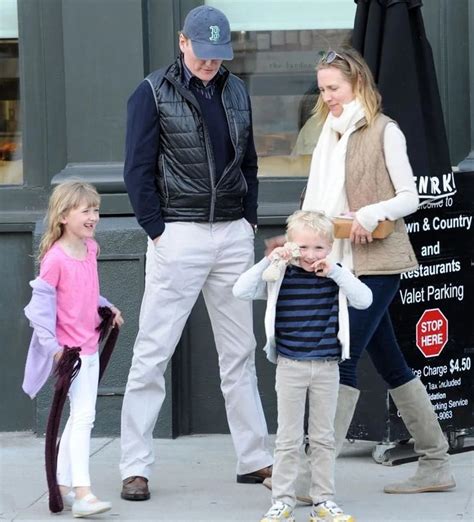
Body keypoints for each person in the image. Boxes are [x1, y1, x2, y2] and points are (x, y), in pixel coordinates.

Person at [265, 48, 455, 497]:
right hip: (333, 261)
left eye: (334, 87)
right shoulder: (326, 134)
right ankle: (435, 461)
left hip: (374, 263)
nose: (326, 96)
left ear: (357, 84)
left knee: (341, 356)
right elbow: (316, 204)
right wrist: (295, 239)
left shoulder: (385, 131)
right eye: (323, 88)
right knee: (390, 359)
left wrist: (368, 215)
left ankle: (313, 476)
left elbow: (410, 196)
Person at [120, 5, 272, 501]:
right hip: (178, 234)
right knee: (152, 353)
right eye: (202, 54)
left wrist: (248, 216)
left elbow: (248, 159)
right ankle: (134, 466)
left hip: (231, 233)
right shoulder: (151, 91)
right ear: (182, 41)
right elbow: (137, 168)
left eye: (218, 56)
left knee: (240, 353)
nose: (210, 64)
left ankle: (254, 460)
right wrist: (157, 231)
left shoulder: (236, 89)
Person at [233, 210, 372, 522]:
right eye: (303, 247)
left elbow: (364, 300)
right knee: (288, 438)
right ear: (292, 246)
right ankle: (282, 501)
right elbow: (240, 290)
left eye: (319, 248)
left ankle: (323, 501)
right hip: (290, 365)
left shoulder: (336, 275)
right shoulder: (279, 275)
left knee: (323, 438)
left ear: (330, 248)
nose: (311, 255)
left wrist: (336, 271)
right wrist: (269, 260)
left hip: (326, 366)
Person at [22, 181, 124, 517]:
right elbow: (38, 310)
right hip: (71, 355)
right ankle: (84, 493)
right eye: (86, 210)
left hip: (90, 346)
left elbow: (87, 292)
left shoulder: (90, 248)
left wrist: (108, 307)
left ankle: (64, 485)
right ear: (64, 215)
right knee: (83, 418)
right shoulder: (55, 259)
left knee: (81, 417)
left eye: (96, 209)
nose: (94, 216)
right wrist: (53, 349)